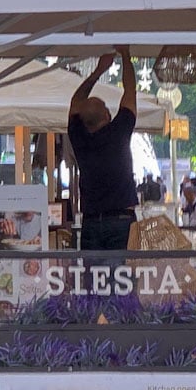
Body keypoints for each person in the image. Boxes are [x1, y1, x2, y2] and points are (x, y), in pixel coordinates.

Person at [67, 47, 138, 251]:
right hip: (121, 220)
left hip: (90, 221)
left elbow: (75, 102)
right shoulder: (119, 132)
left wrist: (97, 72)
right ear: (107, 115)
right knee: (121, 279)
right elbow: (130, 92)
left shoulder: (79, 137)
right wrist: (126, 56)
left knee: (92, 279)